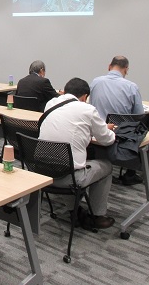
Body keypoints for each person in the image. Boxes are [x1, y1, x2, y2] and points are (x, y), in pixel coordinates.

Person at [39, 77, 116, 229]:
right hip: (68, 178)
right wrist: (109, 130)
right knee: (106, 166)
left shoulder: (51, 104)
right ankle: (98, 216)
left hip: (43, 172)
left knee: (65, 162)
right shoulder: (87, 109)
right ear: (85, 97)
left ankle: (74, 209)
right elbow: (106, 140)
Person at [90, 56, 144, 186]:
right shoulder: (132, 87)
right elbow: (139, 116)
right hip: (121, 136)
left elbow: (91, 106)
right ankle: (131, 173)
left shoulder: (95, 82)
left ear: (109, 66)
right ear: (126, 69)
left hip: (97, 132)